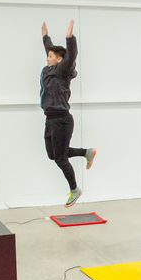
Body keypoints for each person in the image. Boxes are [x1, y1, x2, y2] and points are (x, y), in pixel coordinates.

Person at [40, 19, 96, 207]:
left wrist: (69, 38)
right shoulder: (48, 69)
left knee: (61, 158)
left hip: (62, 120)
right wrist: (45, 36)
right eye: (47, 55)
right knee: (52, 155)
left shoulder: (63, 70)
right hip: (50, 120)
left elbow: (71, 55)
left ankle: (74, 190)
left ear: (59, 60)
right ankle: (86, 152)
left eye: (50, 56)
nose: (47, 57)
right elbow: (50, 49)